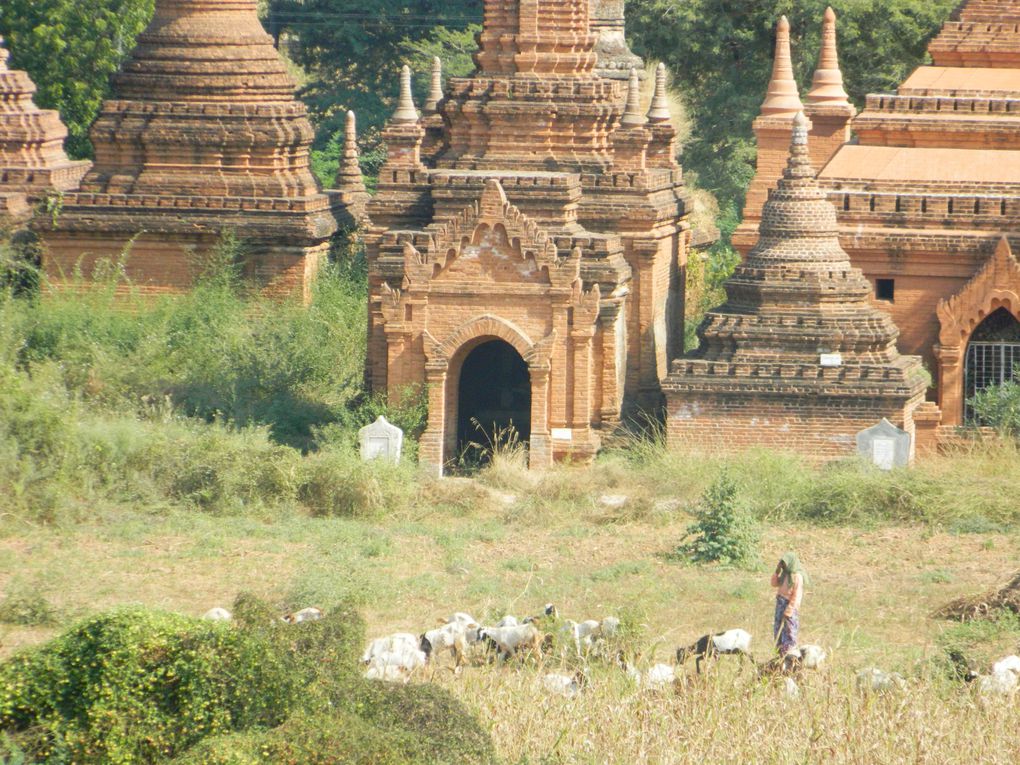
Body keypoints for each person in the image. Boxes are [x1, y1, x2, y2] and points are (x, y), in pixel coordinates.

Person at [770, 552, 808, 657]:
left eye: (785, 563)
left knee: (789, 630)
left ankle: (790, 655)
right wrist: (776, 572)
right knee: (779, 629)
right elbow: (774, 583)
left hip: (789, 606)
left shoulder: (797, 577)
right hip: (780, 604)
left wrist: (789, 610)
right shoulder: (784, 574)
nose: (784, 566)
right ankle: (780, 654)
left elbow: (796, 596)